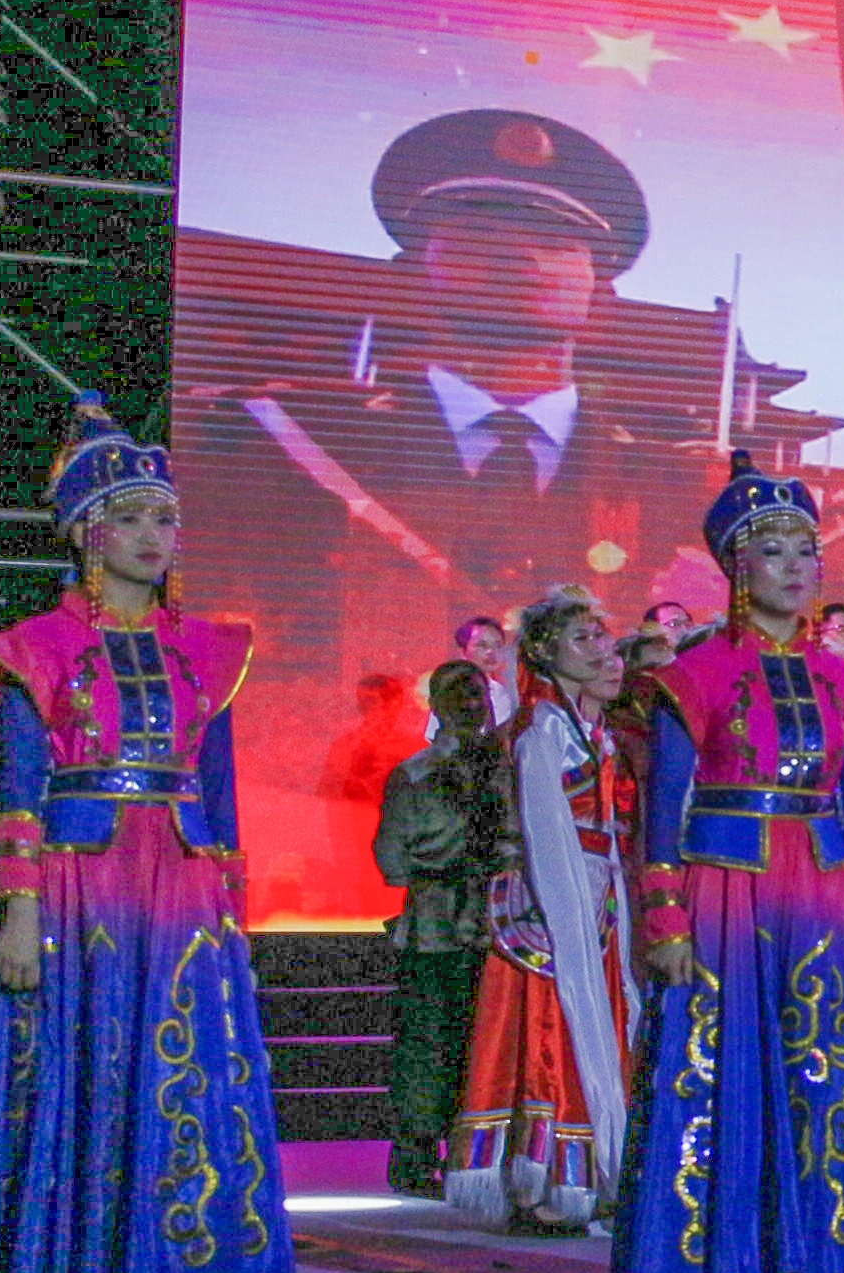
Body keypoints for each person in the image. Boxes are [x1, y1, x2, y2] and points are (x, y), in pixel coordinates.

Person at [185, 112, 678, 861]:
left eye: (552, 242)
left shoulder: (670, 480)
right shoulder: (270, 445)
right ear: (407, 274)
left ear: (601, 294)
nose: (517, 260)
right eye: (477, 236)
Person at [0, 397, 297, 1273]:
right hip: (83, 880)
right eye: (133, 517)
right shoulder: (37, 650)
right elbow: (20, 791)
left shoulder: (209, 652)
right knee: (91, 1064)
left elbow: (220, 795)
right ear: (86, 533)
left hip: (179, 884)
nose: (155, 536)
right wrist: (19, 908)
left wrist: (232, 913)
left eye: (167, 519)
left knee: (173, 1071)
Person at [616, 450, 844, 1273]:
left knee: (820, 1068)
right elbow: (663, 810)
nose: (796, 567)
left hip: (818, 894)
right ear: (736, 568)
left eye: (806, 551)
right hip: (723, 890)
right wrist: (664, 920)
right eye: (773, 551)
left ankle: (808, 1257)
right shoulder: (693, 677)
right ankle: (721, 1263)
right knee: (724, 1067)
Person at [452, 591, 631, 1229]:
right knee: (545, 1031)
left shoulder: (590, 728)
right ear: (545, 652)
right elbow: (545, 830)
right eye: (581, 639)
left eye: (600, 636)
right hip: (550, 898)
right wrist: (568, 907)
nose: (599, 650)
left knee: (591, 1022)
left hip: (595, 892)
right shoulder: (543, 729)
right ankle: (540, 1179)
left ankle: (581, 1174)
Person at [370, 656, 505, 1199]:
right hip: (435, 930)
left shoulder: (506, 769)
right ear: (438, 706)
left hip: (497, 929)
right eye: (460, 694)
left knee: (483, 1045)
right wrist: (443, 864)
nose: (472, 705)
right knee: (428, 1044)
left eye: (479, 693)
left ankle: (475, 1153)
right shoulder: (415, 775)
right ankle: (415, 1154)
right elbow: (391, 860)